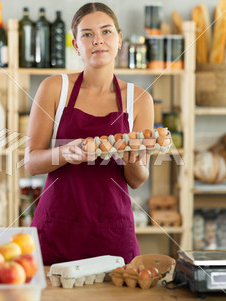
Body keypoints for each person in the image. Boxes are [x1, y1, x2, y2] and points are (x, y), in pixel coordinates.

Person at [25, 2, 154, 265]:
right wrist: (64, 153)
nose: (98, 41)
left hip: (113, 233)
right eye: (87, 34)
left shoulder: (139, 100)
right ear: (75, 45)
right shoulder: (54, 88)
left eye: (106, 32)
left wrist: (133, 161)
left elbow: (138, 179)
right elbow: (31, 163)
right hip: (56, 230)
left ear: (119, 40)